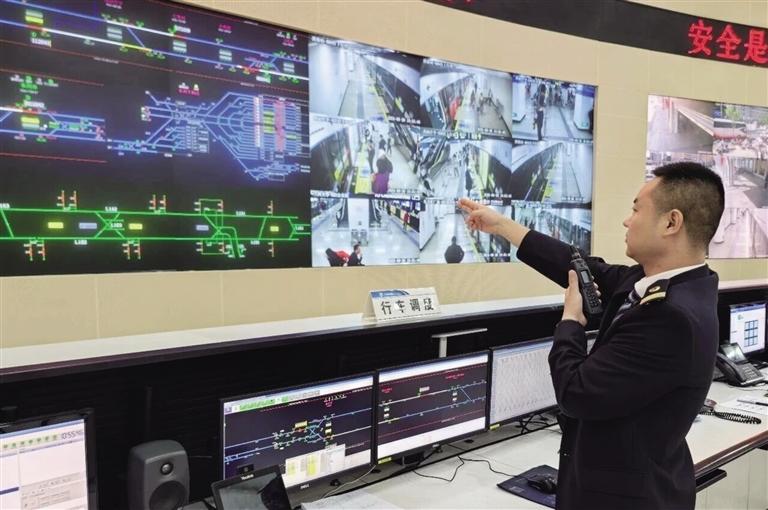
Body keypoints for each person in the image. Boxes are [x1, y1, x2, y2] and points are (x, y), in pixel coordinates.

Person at [459, 161, 725, 510]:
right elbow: (583, 267)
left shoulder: (670, 315)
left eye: (636, 210)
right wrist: (502, 226)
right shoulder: (675, 284)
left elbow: (575, 392)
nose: (627, 221)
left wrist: (570, 321)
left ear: (671, 222)